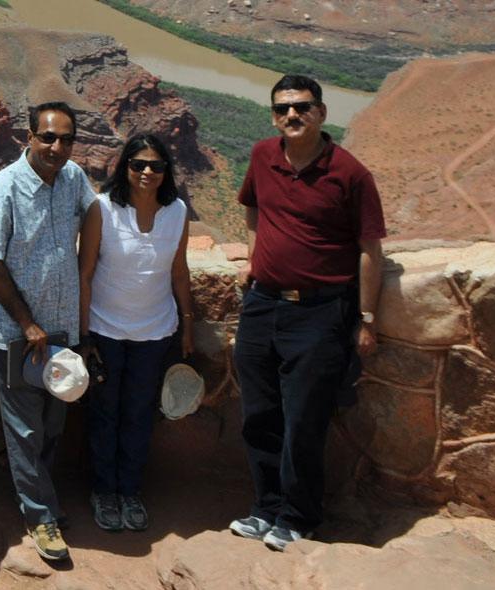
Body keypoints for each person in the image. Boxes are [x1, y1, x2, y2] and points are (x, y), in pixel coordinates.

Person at [229, 75, 386, 551]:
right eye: (282, 109)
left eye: (301, 107)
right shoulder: (262, 156)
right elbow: (253, 210)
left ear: (321, 112)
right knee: (259, 414)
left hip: (319, 313)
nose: (291, 116)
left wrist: (367, 318)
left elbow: (369, 250)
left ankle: (299, 516)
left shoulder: (350, 173)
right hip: (262, 304)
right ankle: (266, 507)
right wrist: (255, 260)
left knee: (303, 421)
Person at [0, 101, 95, 562]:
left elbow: (92, 211)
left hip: (60, 328)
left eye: (65, 139)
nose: (56, 147)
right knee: (24, 429)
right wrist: (28, 322)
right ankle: (40, 515)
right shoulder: (2, 190)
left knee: (54, 420)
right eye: (48, 137)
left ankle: (43, 499)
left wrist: (85, 279)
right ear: (29, 136)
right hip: (17, 334)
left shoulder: (74, 178)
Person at [78, 133, 194, 532]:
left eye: (156, 166)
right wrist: (84, 335)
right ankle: (103, 491)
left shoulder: (177, 211)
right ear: (124, 166)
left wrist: (188, 324)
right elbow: (86, 272)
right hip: (105, 329)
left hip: (155, 332)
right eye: (138, 164)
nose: (147, 172)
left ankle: (129, 490)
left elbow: (179, 271)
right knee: (105, 413)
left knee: (140, 414)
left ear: (166, 172)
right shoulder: (102, 209)